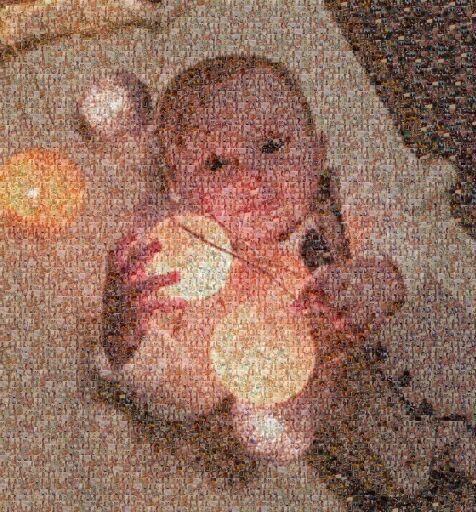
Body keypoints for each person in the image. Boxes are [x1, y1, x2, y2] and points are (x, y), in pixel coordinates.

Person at [95, 55, 405, 461]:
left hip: (401, 349)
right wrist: (125, 337)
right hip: (322, 408)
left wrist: (381, 273)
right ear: (181, 191)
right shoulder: (193, 270)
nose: (251, 176)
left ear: (318, 153)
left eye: (272, 146)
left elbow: (401, 227)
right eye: (217, 164)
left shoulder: (339, 201)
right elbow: (189, 396)